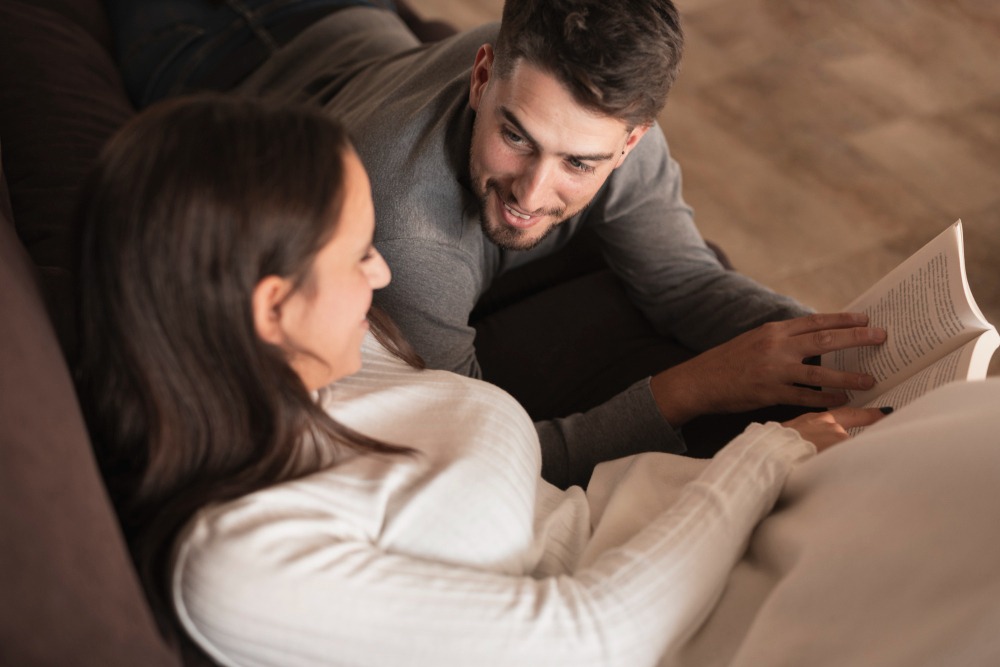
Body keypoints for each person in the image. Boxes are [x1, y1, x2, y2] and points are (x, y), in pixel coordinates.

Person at [73, 93, 900, 667]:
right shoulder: (239, 562)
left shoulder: (326, 361)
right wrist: (762, 456)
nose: (385, 268)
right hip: (701, 613)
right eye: (359, 250)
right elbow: (593, 639)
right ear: (270, 305)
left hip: (714, 515)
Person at [104, 0, 889, 488]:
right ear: (483, 77)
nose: (531, 192)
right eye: (516, 136)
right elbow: (485, 445)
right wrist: (695, 387)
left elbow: (684, 282)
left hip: (361, 24)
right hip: (215, 45)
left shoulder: (627, 147)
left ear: (631, 141)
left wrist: (849, 350)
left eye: (580, 163)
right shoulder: (400, 233)